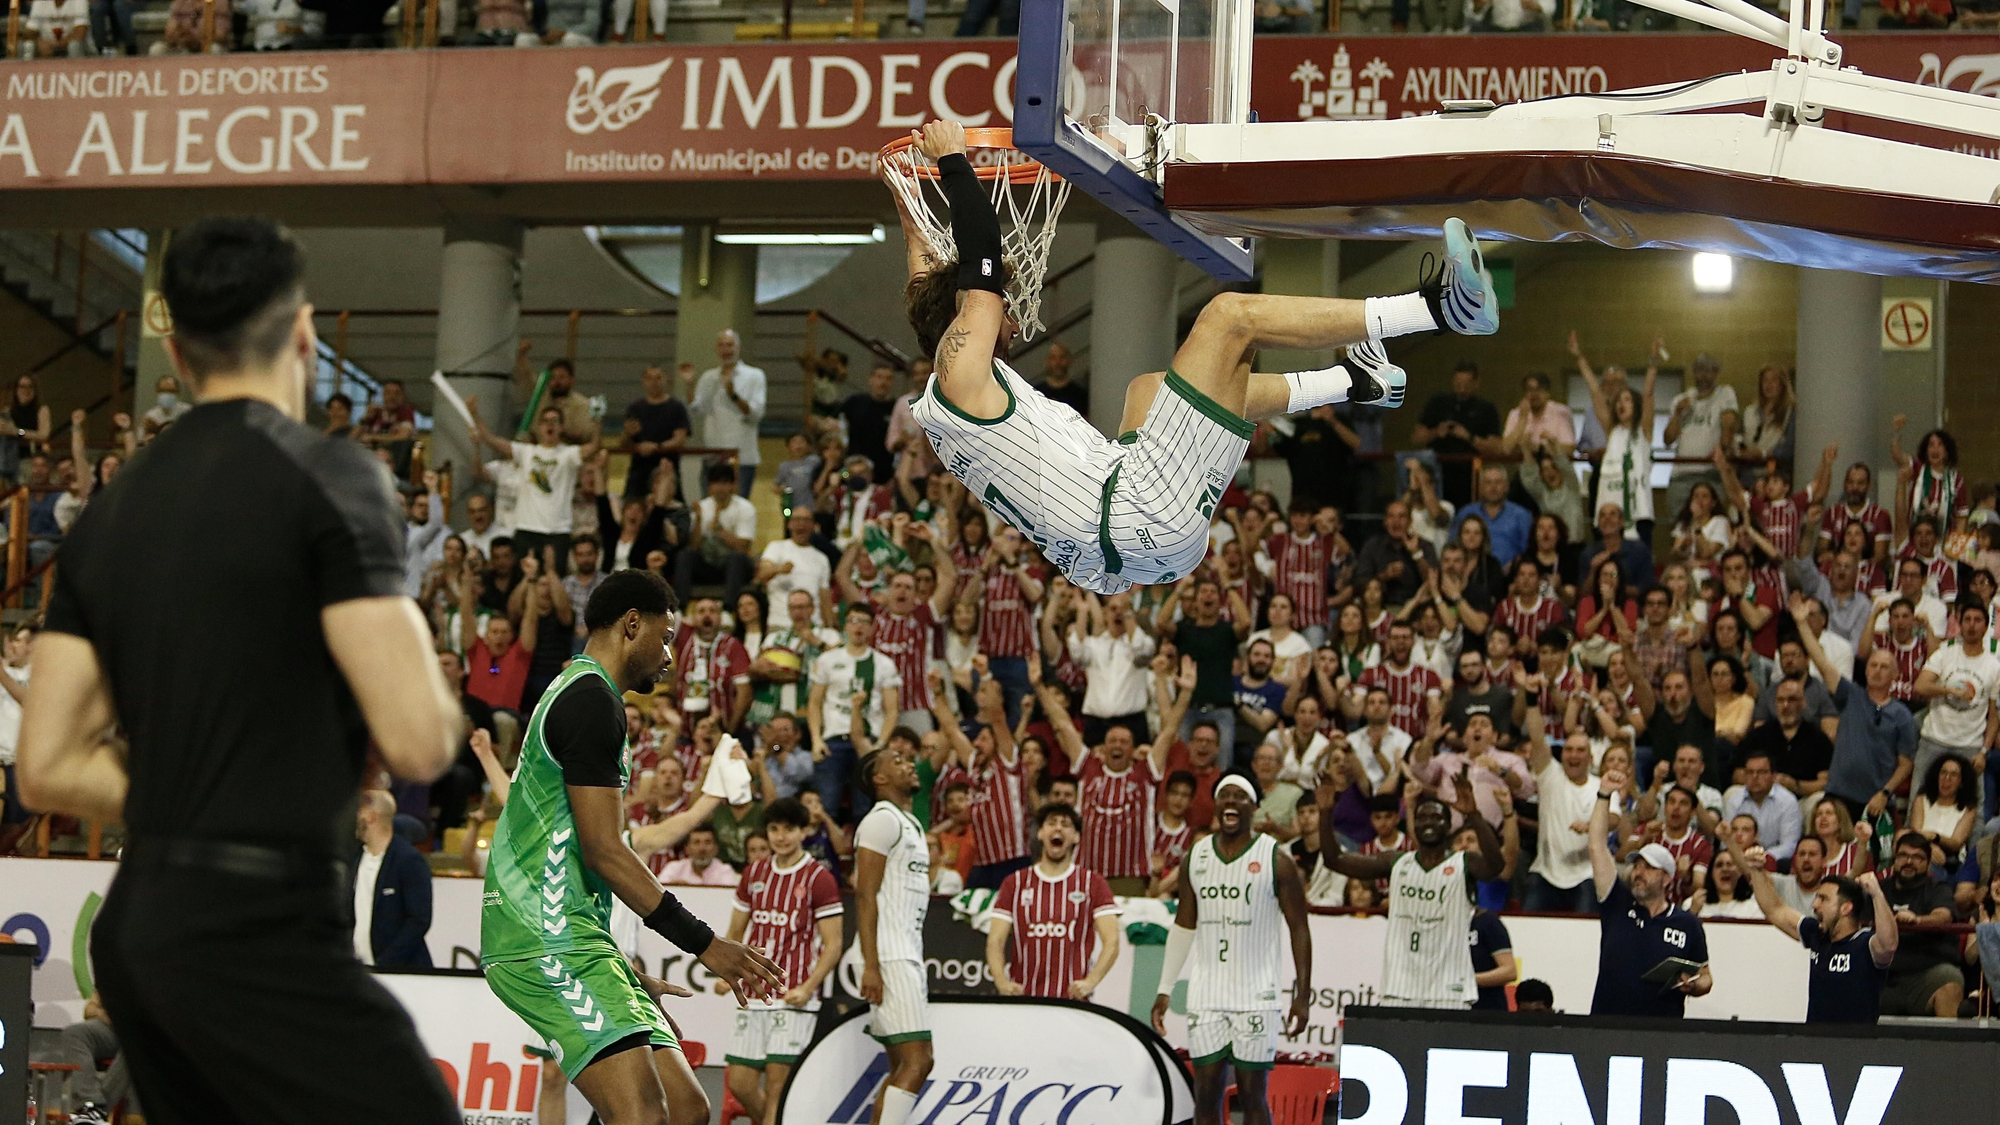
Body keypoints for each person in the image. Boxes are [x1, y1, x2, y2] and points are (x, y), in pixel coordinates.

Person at [17, 216, 465, 1124]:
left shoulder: (113, 510)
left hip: (141, 930)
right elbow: (419, 739)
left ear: (175, 353)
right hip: (257, 926)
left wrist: (188, 790)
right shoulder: (333, 475)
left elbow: (47, 763)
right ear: (302, 332)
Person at [895, 121, 1502, 597]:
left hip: (1132, 542)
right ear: (967, 319)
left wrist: (903, 193)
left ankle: (1354, 380)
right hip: (1134, 513)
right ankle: (1441, 308)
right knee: (1229, 319)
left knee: (1150, 390)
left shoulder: (948, 386)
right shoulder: (960, 373)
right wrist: (952, 161)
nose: (1010, 309)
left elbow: (929, 281)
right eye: (992, 307)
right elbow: (977, 271)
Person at [480, 570, 783, 1125]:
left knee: (688, 1108)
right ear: (632, 624)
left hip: (577, 936)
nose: (670, 656)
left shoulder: (579, 689)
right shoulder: (592, 700)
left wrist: (622, 968)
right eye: (665, 638)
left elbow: (574, 841)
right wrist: (705, 944)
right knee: (643, 1114)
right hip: (543, 938)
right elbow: (606, 852)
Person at [1151, 776, 1313, 1125]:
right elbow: (1184, 925)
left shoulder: (1275, 859)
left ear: (1254, 808)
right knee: (1205, 1097)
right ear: (1215, 805)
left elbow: (1299, 928)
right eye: (1224, 795)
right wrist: (1165, 988)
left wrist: (1302, 994)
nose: (1231, 802)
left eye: (1241, 797)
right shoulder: (1196, 856)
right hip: (1207, 992)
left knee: (1252, 1096)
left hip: (1255, 994)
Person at [1318, 779, 1503, 1008]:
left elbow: (1496, 866)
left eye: (1436, 817)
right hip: (1400, 984)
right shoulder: (1396, 861)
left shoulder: (1464, 862)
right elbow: (1334, 860)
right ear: (1413, 825)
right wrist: (1325, 812)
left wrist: (1474, 816)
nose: (1428, 822)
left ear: (1448, 826)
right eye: (1422, 817)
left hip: (1449, 986)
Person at [716, 797, 843, 1125]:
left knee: (777, 1088)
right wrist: (725, 971)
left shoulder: (819, 878)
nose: (781, 836)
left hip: (792, 997)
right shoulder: (754, 873)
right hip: (754, 993)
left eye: (789, 829)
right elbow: (734, 932)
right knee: (742, 1084)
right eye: (774, 829)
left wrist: (808, 987)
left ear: (804, 831)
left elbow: (834, 945)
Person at [1588, 764, 1713, 1017]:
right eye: (1637, 866)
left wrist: (1695, 985)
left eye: (1649, 868)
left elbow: (1706, 976)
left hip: (1661, 1033)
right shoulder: (1617, 903)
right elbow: (1597, 846)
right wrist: (1604, 795)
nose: (1638, 873)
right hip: (1607, 1026)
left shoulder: (1687, 923)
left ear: (1667, 879)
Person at [853, 747, 935, 1125]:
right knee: (920, 1061)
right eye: (897, 761)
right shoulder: (881, 820)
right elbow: (864, 894)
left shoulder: (911, 823)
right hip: (888, 954)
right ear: (879, 779)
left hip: (904, 950)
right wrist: (872, 965)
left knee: (902, 1063)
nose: (909, 764)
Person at [989, 802, 1123, 998]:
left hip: (1071, 1004)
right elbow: (995, 940)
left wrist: (1090, 982)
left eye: (1066, 824)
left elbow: (1112, 941)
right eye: (1052, 823)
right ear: (1040, 833)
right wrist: (1002, 982)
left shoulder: (1093, 883)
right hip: (1024, 1000)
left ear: (1076, 837)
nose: (1058, 827)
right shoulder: (1014, 882)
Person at [468, 401, 601, 577]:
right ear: (539, 427)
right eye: (545, 421)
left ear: (561, 427)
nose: (550, 425)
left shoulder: (568, 454)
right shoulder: (526, 452)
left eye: (555, 421)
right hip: (527, 529)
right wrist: (475, 414)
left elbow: (594, 446)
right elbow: (491, 439)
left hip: (557, 531)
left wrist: (597, 419)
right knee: (523, 580)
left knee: (554, 581)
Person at [1912, 600, 2000, 796]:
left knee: (1972, 807)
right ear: (1959, 624)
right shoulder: (1944, 653)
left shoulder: (1994, 666)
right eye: (1967, 619)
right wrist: (1950, 691)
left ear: (1986, 627)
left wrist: (1984, 751)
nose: (1971, 625)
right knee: (1918, 798)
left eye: (1977, 620)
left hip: (1970, 745)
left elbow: (1994, 716)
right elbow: (1921, 685)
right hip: (1934, 739)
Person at [1875, 830, 1964, 1018]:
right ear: (1895, 858)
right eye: (1904, 856)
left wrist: (1917, 920)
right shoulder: (1879, 889)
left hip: (1927, 974)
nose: (1909, 862)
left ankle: (1949, 1046)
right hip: (1884, 977)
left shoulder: (1938, 889)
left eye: (1917, 858)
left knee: (1950, 978)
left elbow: (1943, 916)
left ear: (1928, 862)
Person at [350, 789, 434, 969]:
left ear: (371, 817)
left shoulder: (409, 860)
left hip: (403, 972)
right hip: (359, 970)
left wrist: (385, 964)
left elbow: (419, 919)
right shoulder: (354, 858)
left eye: (358, 811)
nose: (353, 817)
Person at [1661, 353, 1738, 543]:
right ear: (1694, 373)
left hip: (1711, 474)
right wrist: (1678, 415)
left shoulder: (1725, 393)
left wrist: (1722, 447)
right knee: (1680, 527)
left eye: (1709, 371)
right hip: (1682, 475)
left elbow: (1729, 423)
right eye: (1700, 370)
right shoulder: (1682, 399)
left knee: (1714, 527)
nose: (1704, 375)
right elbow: (1668, 439)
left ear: (1716, 373)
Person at [687, 330, 768, 498]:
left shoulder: (754, 375)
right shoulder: (709, 377)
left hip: (742, 454)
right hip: (713, 453)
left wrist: (733, 395)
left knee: (739, 507)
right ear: (716, 349)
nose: (726, 350)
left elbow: (755, 414)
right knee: (709, 507)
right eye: (721, 345)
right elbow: (697, 409)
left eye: (730, 345)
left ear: (739, 348)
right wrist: (689, 385)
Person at [1413, 361, 1503, 507]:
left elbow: (1497, 447)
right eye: (1458, 382)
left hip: (1469, 473)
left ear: (1476, 383)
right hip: (1438, 471)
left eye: (1466, 383)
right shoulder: (1438, 403)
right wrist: (1437, 432)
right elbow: (1416, 437)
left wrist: (1468, 437)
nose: (1461, 387)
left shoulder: (1486, 409)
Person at [676, 463, 758, 606]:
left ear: (732, 486)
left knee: (737, 559)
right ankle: (679, 608)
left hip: (734, 566)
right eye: (716, 483)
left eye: (725, 483)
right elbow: (694, 547)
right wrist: (699, 520)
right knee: (685, 556)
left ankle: (728, 609)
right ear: (710, 486)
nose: (720, 488)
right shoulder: (702, 507)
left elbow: (743, 548)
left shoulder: (745, 508)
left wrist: (720, 530)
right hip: (709, 564)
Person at [622, 364, 692, 501]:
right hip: (639, 472)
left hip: (667, 470)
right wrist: (628, 435)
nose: (654, 383)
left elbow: (680, 440)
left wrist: (657, 447)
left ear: (666, 380)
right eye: (649, 378)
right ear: (643, 381)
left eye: (658, 378)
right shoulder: (635, 408)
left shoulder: (676, 407)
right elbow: (625, 443)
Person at [1450, 465, 1533, 568]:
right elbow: (1453, 546)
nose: (1493, 487)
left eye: (1498, 482)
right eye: (1488, 483)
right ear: (1480, 487)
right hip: (1471, 574)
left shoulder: (1521, 515)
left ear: (1507, 486)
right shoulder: (1466, 513)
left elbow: (1529, 552)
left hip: (1511, 575)